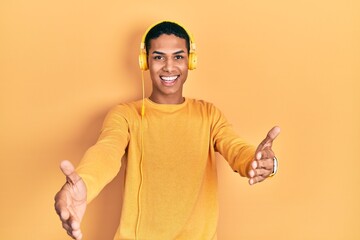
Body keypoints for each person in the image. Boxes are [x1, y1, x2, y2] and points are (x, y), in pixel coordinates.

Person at [54, 21, 280, 240]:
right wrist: (85, 182)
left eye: (178, 57)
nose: (169, 67)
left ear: (191, 61)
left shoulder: (208, 114)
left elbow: (236, 148)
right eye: (159, 57)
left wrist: (257, 161)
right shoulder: (125, 115)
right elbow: (106, 152)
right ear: (145, 61)